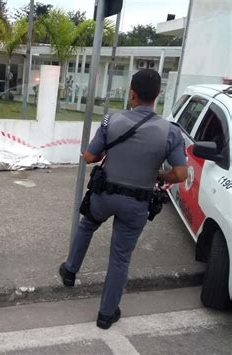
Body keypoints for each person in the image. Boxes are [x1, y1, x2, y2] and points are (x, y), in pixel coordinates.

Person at [58, 69, 188, 330]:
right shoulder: (170, 132)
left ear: (132, 93)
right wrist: (160, 174)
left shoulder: (110, 120)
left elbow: (89, 157)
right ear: (157, 95)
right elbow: (180, 174)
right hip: (137, 204)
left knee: (87, 224)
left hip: (104, 196)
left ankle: (70, 271)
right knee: (120, 258)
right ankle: (106, 315)